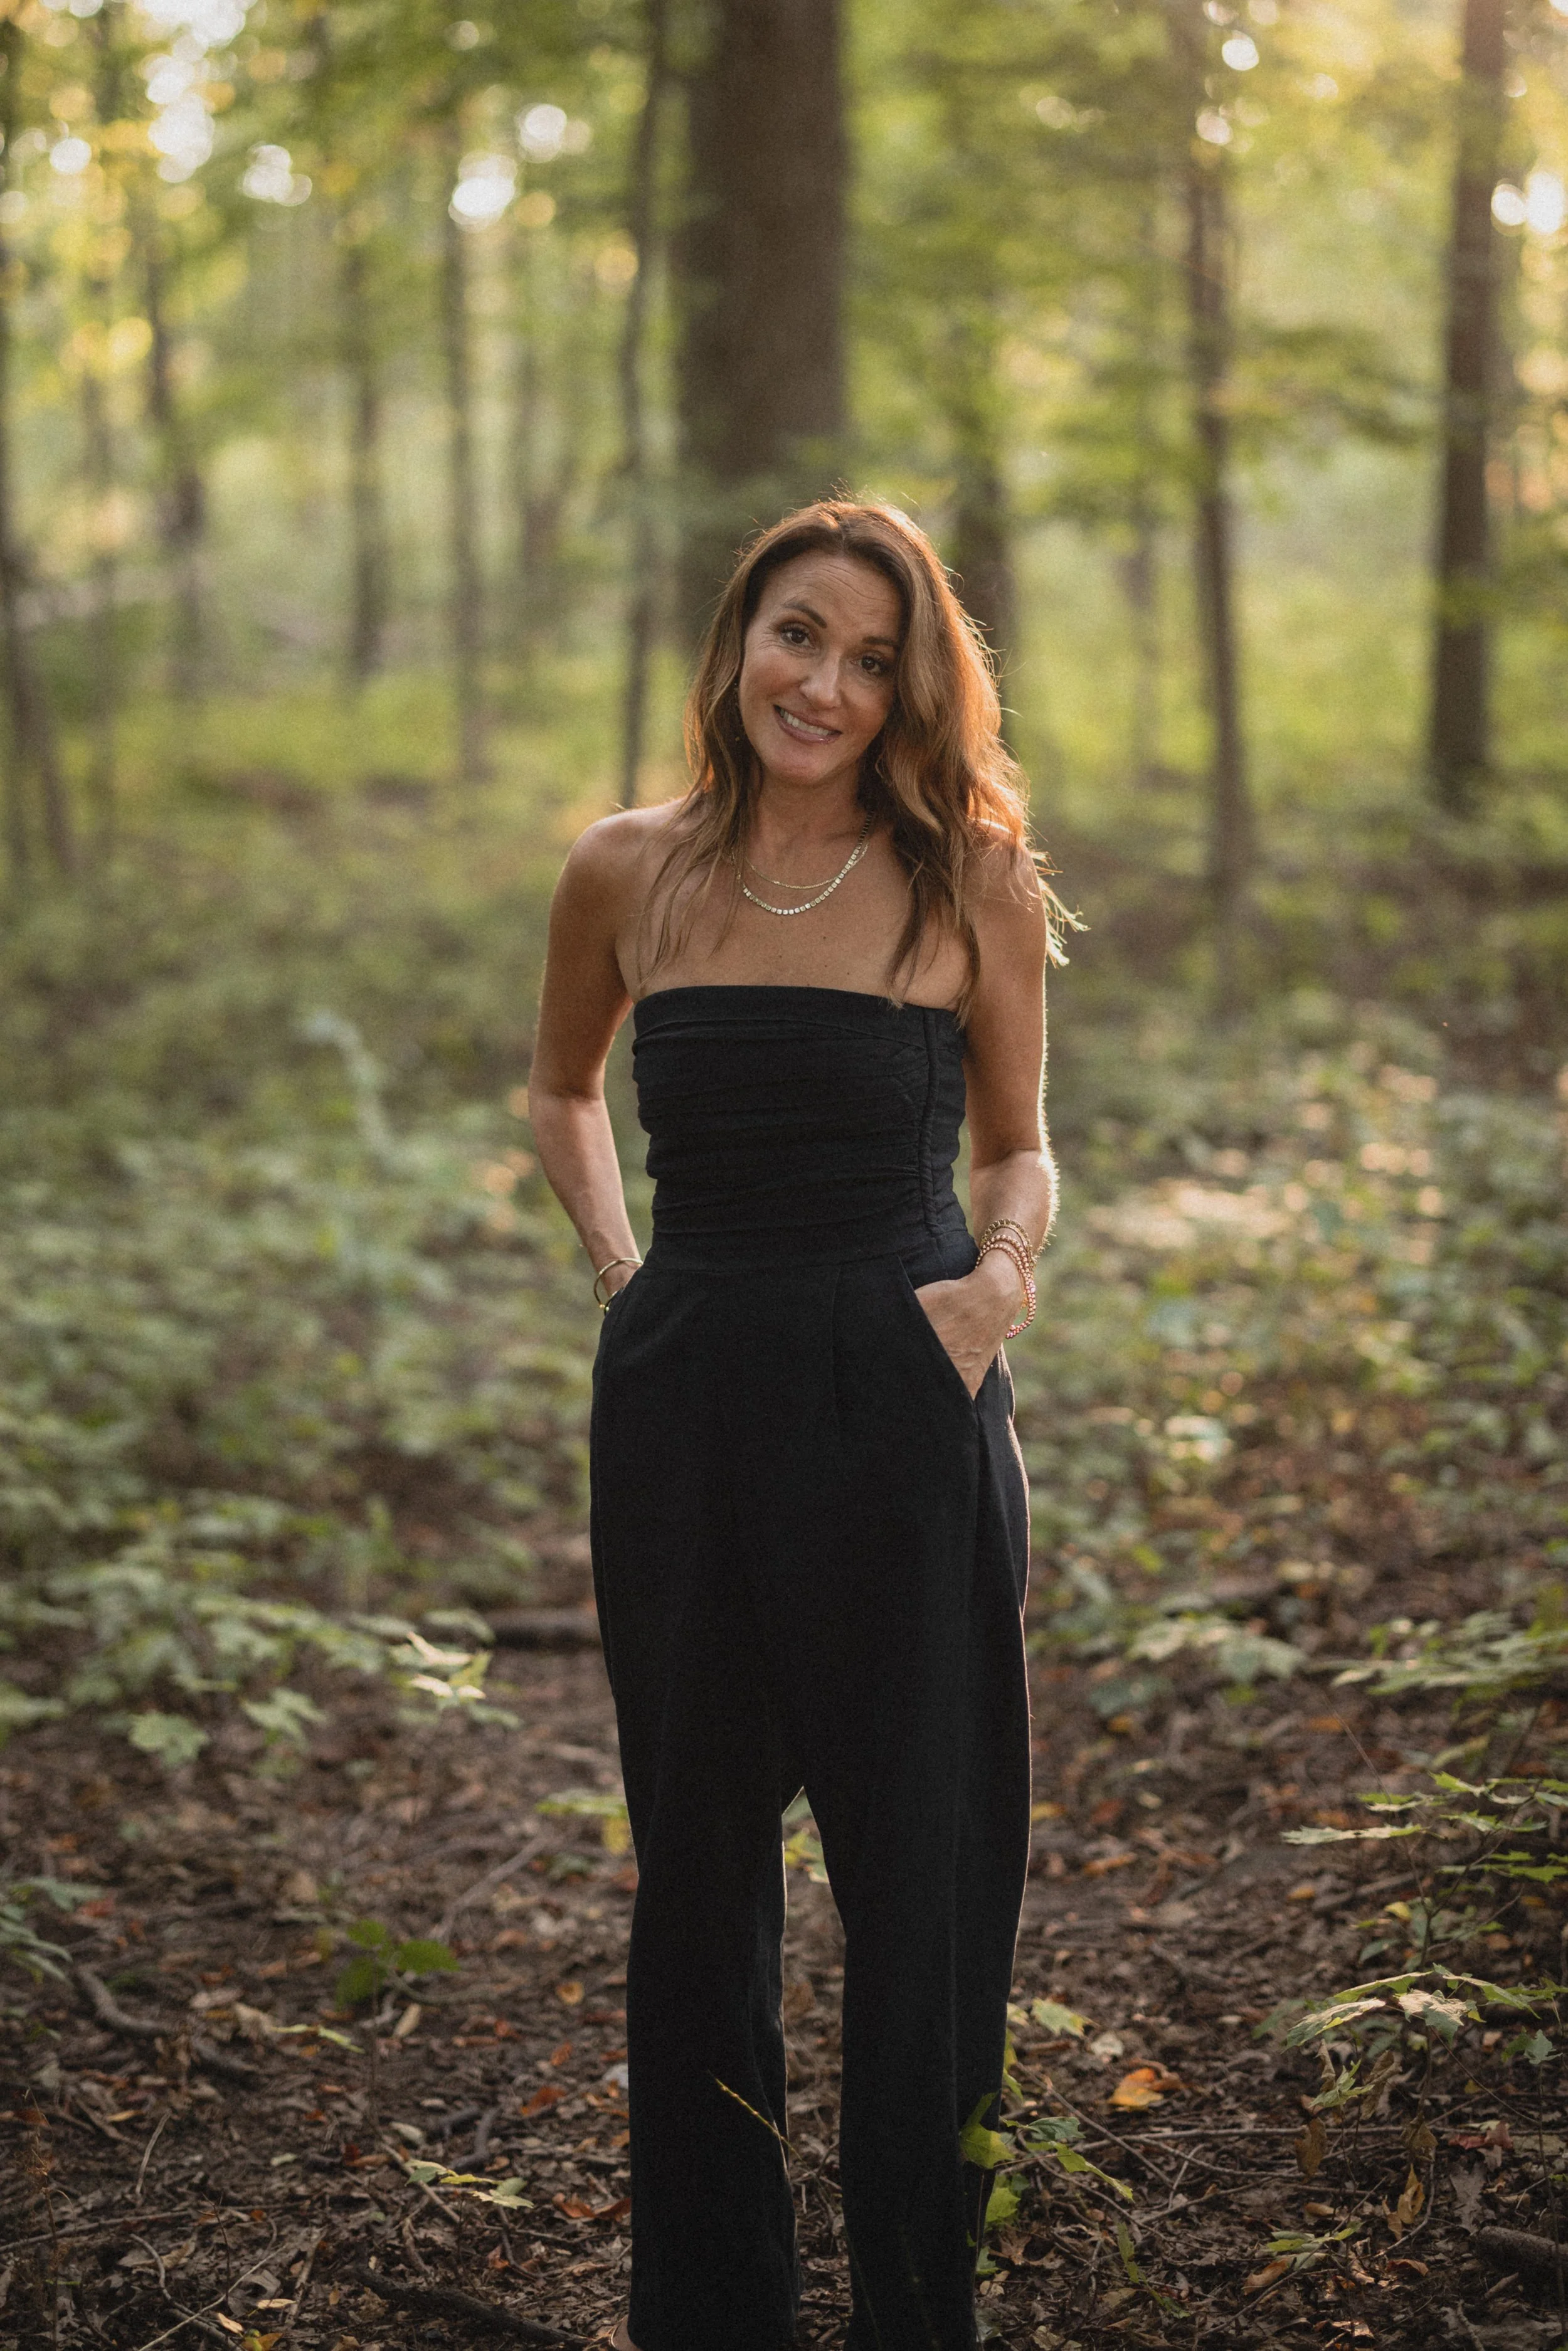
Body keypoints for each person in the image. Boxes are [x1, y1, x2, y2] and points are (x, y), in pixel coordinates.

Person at [529, 498, 1059, 2351]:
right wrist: (620, 1269)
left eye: (868, 657)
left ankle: (917, 2310)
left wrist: (994, 1284)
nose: (821, 683)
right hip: (685, 1400)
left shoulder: (965, 876)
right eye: (795, 635)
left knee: (920, 1872)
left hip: (905, 1400)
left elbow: (1019, 1141)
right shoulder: (626, 868)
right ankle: (710, 2314)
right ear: (733, 637)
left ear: (914, 689)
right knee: (696, 1883)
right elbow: (559, 1085)